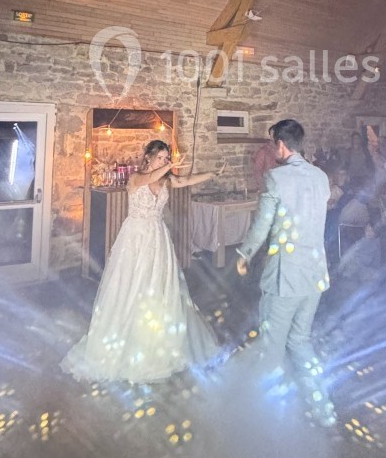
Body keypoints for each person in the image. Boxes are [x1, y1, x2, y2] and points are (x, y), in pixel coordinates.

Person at [62, 140, 224, 384]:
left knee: (160, 286)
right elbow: (148, 180)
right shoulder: (136, 178)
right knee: (130, 284)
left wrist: (211, 173)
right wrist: (168, 166)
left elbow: (184, 181)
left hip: (157, 237)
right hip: (135, 238)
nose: (166, 162)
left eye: (167, 158)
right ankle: (124, 338)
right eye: (161, 157)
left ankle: (158, 338)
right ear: (148, 157)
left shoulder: (166, 178)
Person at [236, 119, 334, 422]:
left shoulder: (276, 178)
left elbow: (263, 225)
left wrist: (244, 253)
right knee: (300, 341)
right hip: (314, 273)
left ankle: (267, 421)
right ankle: (323, 409)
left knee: (272, 347)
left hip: (285, 277)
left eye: (272, 143)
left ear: (280, 144)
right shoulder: (321, 177)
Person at [252, 126, 278, 191]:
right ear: (270, 135)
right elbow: (257, 170)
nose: (274, 135)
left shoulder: (284, 150)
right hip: (269, 188)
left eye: (276, 133)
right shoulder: (263, 151)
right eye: (272, 133)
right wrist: (262, 187)